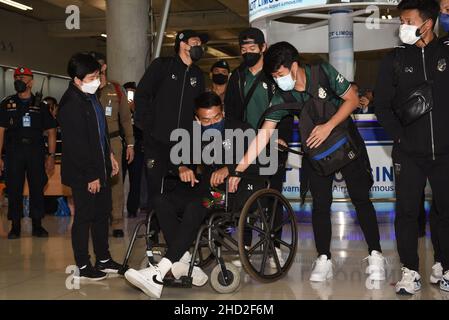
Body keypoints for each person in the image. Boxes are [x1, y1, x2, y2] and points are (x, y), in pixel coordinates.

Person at [228, 41, 385, 283]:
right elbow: (264, 134)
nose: (278, 80)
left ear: (293, 65)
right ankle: (323, 259)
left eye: (280, 74)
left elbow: (353, 100)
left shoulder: (323, 72)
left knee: (361, 199)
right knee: (320, 205)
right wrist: (238, 170)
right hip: (315, 154)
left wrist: (328, 126)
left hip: (346, 145)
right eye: (274, 76)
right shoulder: (282, 94)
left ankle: (375, 255)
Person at [125, 91, 254, 298]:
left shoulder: (241, 130)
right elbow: (174, 159)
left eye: (217, 118)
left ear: (223, 112)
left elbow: (258, 160)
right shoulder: (192, 133)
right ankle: (183, 260)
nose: (212, 124)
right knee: (160, 200)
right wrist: (182, 167)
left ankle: (159, 272)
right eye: (206, 120)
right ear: (197, 119)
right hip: (203, 189)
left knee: (197, 205)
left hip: (231, 192)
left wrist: (230, 168)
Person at [374, 0, 449, 294]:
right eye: (401, 21)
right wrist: (400, 137)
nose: (401, 27)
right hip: (409, 154)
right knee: (406, 213)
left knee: (446, 211)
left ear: (427, 23)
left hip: (445, 153)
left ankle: (444, 265)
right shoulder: (394, 59)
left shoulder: (446, 53)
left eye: (407, 20)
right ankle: (410, 270)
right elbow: (381, 105)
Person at [224, 27, 293, 266]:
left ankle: (274, 245)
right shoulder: (237, 76)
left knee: (272, 197)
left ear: (263, 47)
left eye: (252, 48)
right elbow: (231, 114)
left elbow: (287, 108)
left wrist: (283, 137)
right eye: (243, 49)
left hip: (273, 143)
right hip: (244, 145)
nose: (247, 53)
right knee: (244, 196)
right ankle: (244, 245)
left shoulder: (274, 74)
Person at [58, 53, 121, 281]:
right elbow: (78, 146)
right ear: (77, 79)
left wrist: (110, 156)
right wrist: (91, 175)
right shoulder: (70, 104)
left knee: (102, 214)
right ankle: (83, 265)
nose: (97, 80)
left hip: (99, 166)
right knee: (84, 217)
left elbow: (100, 132)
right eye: (93, 76)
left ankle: (103, 259)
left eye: (98, 75)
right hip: (84, 172)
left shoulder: (90, 96)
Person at [134, 29, 207, 215]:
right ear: (182, 44)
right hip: (157, 141)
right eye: (195, 42)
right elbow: (142, 94)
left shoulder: (198, 75)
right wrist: (147, 126)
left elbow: (199, 109)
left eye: (200, 43)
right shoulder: (162, 66)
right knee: (156, 189)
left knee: (182, 187)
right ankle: (153, 232)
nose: (199, 46)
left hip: (184, 142)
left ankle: (177, 229)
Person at [0, 67, 57, 239]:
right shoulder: (6, 103)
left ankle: (37, 225)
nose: (19, 80)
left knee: (37, 187)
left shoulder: (41, 105)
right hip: (13, 151)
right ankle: (15, 226)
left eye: (23, 77)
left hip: (35, 151)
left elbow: (52, 131)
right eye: (16, 77)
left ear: (31, 82)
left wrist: (51, 156)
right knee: (14, 187)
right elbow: (1, 131)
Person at [90, 52, 135, 238]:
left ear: (104, 67)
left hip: (114, 141)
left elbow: (125, 119)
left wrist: (130, 144)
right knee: (93, 180)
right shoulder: (87, 89)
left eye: (98, 64)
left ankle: (116, 220)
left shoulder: (115, 89)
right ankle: (96, 218)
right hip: (92, 142)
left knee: (115, 182)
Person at [122, 81, 145, 218]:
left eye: (133, 92)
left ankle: (132, 208)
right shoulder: (118, 107)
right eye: (128, 92)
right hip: (122, 146)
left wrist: (134, 110)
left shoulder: (141, 109)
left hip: (137, 146)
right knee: (118, 178)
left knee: (135, 179)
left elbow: (144, 127)